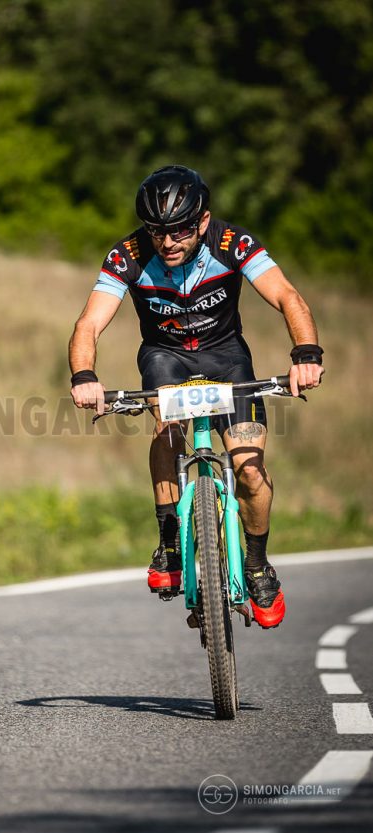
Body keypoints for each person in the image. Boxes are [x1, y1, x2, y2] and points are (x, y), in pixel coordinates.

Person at [69, 164, 323, 628]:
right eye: (157, 231)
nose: (167, 242)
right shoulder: (127, 255)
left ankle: (257, 564)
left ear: (202, 221)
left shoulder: (232, 243)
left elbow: (288, 297)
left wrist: (306, 353)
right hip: (165, 357)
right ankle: (170, 539)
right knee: (167, 429)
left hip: (228, 360)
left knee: (249, 470)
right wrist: (84, 375)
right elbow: (89, 323)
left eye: (180, 230)